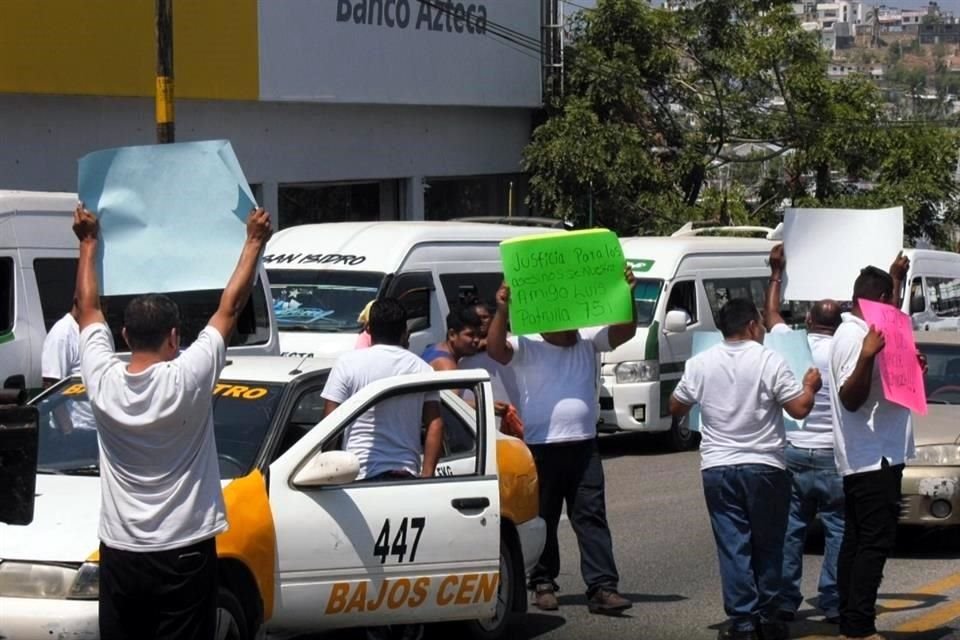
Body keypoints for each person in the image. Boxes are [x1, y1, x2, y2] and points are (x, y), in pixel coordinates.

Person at [73, 203, 273, 640]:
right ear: (175, 338)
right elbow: (230, 308)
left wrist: (88, 243)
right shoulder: (188, 377)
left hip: (121, 552)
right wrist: (253, 241)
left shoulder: (103, 380)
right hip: (185, 551)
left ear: (124, 336)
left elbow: (85, 310)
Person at [486, 266, 638, 615]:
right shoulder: (528, 345)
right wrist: (503, 310)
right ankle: (542, 583)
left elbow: (624, 331)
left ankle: (602, 587)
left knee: (591, 516)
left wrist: (627, 292)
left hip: (584, 445)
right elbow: (495, 350)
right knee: (544, 516)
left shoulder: (588, 338)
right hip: (542, 446)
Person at [670, 298, 822, 640]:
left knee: (733, 544)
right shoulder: (770, 360)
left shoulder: (700, 363)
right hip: (765, 465)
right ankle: (769, 616)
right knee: (769, 544)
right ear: (753, 325)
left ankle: (742, 622)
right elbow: (799, 409)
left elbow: (676, 405)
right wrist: (811, 386)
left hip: (718, 467)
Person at [830, 265, 916, 640]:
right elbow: (849, 398)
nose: (894, 307)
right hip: (872, 457)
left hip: (875, 455)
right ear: (880, 302)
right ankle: (859, 626)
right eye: (891, 300)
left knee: (856, 540)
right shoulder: (855, 336)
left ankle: (848, 616)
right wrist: (866, 357)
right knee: (873, 544)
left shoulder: (866, 332)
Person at [763, 245, 844, 624]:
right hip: (834, 455)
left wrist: (776, 272)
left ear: (808, 319)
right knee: (838, 530)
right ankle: (832, 599)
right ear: (838, 324)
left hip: (794, 451)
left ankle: (784, 600)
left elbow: (772, 314)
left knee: (791, 531)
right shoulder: (849, 349)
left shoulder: (793, 344)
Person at [322, 298, 444, 481]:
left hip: (357, 474)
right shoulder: (422, 368)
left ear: (369, 329)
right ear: (405, 332)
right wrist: (427, 476)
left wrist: (324, 474)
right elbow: (435, 423)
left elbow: (330, 423)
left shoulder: (347, 363)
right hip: (405, 475)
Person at [421, 305, 483, 371]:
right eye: (470, 335)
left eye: (479, 334)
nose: (477, 340)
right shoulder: (447, 367)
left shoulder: (436, 348)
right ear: (452, 335)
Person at [41, 298, 81, 387]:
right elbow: (51, 385)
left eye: (105, 304)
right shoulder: (62, 334)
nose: (103, 310)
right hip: (74, 399)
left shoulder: (98, 328)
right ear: (78, 303)